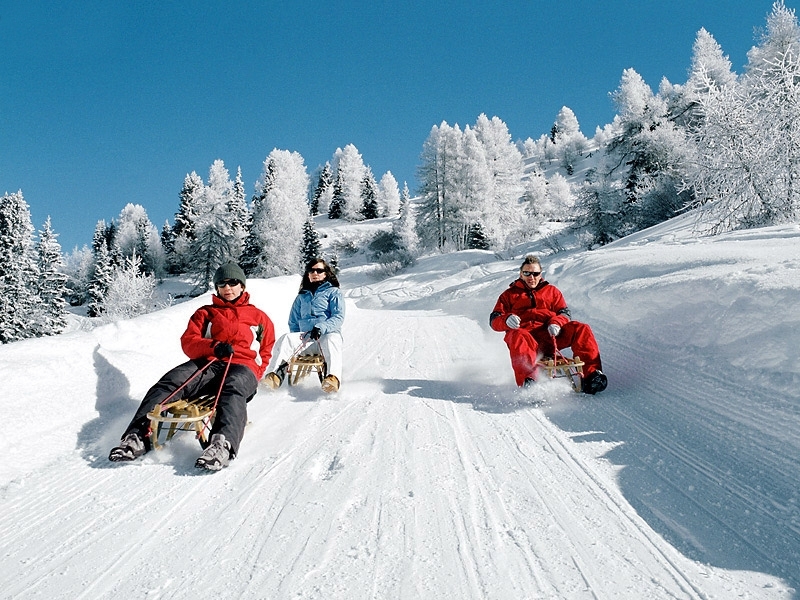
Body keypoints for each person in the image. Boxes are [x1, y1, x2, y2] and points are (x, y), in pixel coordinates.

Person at [108, 262, 275, 471]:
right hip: (209, 363)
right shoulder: (206, 313)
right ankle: (137, 436)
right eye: (222, 284)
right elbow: (189, 341)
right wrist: (213, 347)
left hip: (242, 366)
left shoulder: (258, 317)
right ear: (217, 287)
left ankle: (222, 445)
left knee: (233, 387)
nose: (228, 288)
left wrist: (257, 373)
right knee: (171, 381)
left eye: (233, 283)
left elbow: (266, 348)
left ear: (242, 286)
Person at [490, 255, 607, 394]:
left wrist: (556, 323)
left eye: (535, 273)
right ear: (521, 274)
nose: (531, 277)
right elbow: (494, 320)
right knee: (517, 334)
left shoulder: (552, 291)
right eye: (527, 273)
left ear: (540, 274)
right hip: (525, 340)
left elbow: (564, 313)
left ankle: (592, 376)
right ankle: (529, 382)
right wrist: (506, 320)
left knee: (581, 328)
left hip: (551, 337)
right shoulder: (509, 295)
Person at [264, 257, 344, 393]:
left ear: (326, 273)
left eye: (319, 270)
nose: (315, 273)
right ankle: (274, 376)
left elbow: (338, 317)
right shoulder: (302, 296)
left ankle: (332, 379)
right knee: (286, 338)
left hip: (325, 337)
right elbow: (293, 321)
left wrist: (321, 327)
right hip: (307, 339)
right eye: (311, 271)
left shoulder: (334, 292)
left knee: (332, 339)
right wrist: (298, 338)